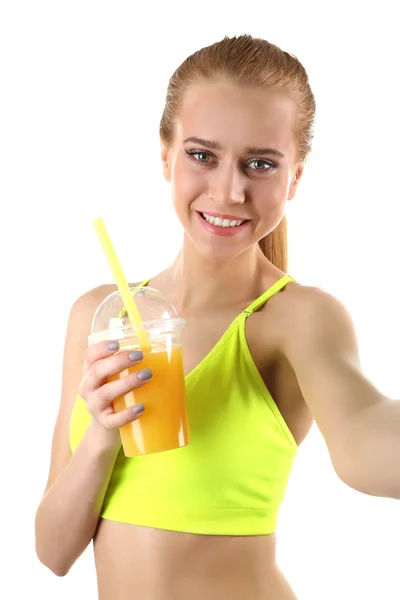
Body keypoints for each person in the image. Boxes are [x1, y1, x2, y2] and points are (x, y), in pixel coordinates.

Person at [34, 34, 400, 600]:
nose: (229, 191)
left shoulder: (297, 318)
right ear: (166, 155)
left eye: (260, 164)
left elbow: (364, 434)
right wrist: (103, 436)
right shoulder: (99, 314)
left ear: (295, 177)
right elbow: (53, 553)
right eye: (202, 155)